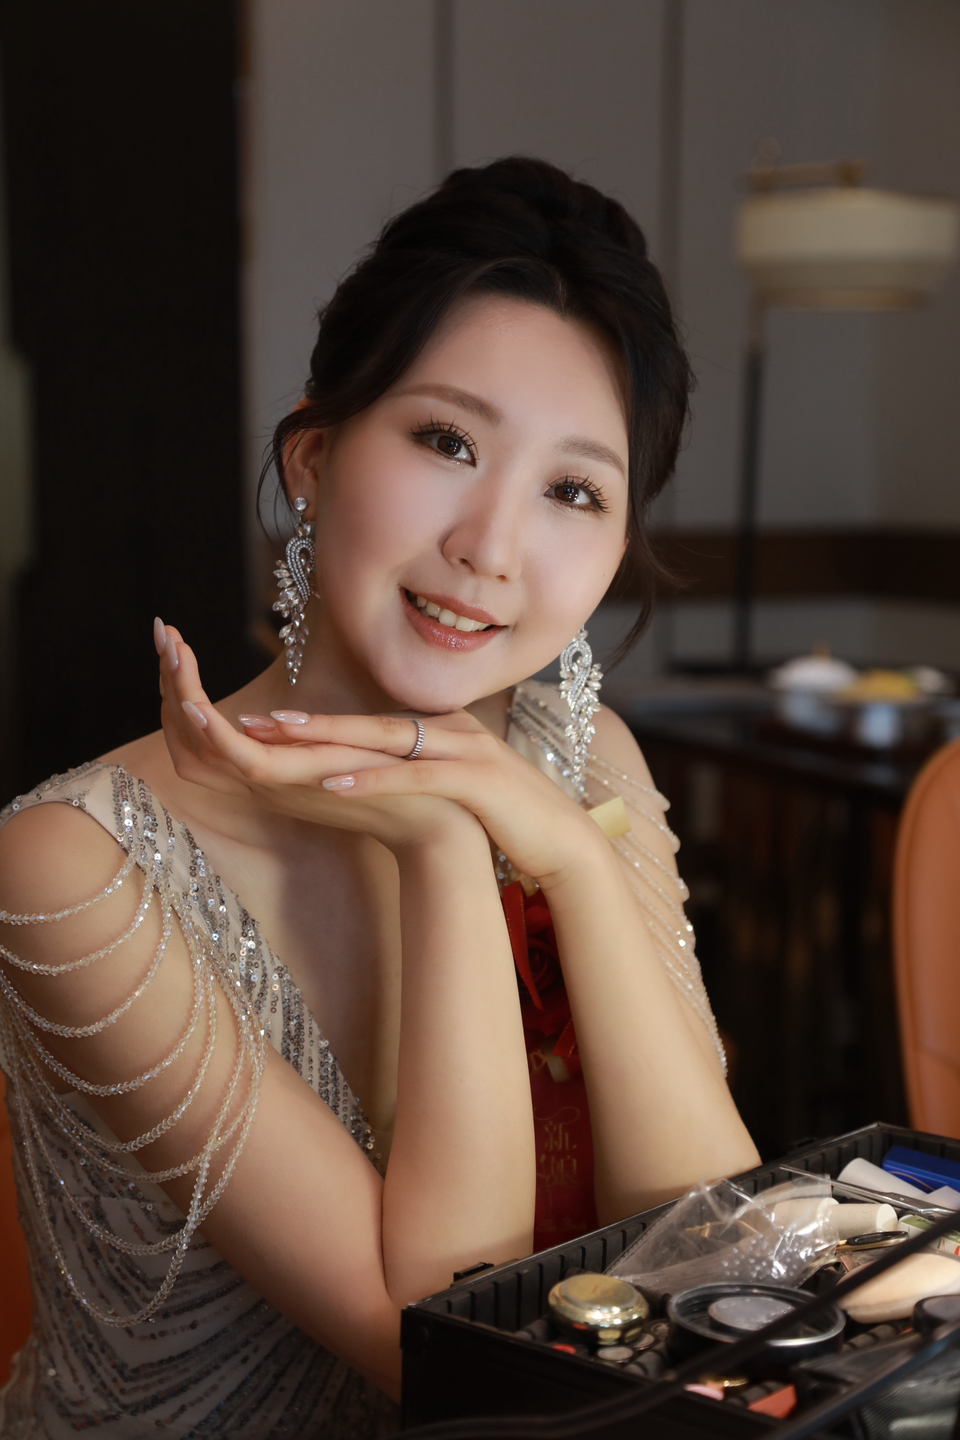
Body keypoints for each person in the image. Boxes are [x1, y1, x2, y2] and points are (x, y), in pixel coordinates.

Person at [0, 157, 759, 1438]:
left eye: (573, 490)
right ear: (314, 456)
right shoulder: (71, 865)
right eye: (447, 441)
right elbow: (449, 1354)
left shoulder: (586, 760)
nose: (490, 548)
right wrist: (444, 847)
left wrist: (571, 863)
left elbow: (719, 1265)